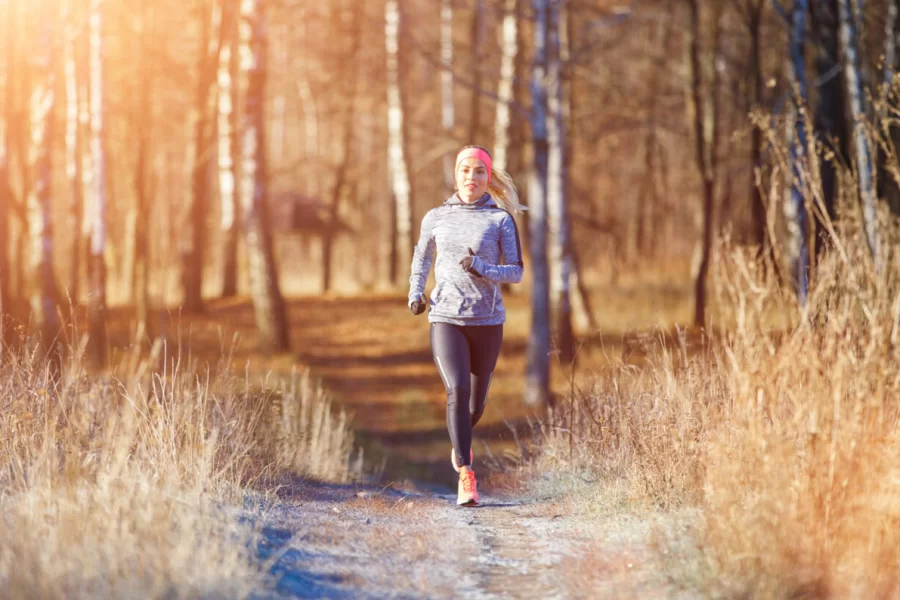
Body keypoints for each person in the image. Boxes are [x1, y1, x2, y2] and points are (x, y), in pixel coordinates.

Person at [408, 145, 526, 506]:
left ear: (488, 178)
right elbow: (422, 257)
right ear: (456, 174)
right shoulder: (436, 217)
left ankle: (459, 441)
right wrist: (415, 292)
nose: (471, 177)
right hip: (445, 317)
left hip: (487, 321)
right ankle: (466, 473)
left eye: (479, 171)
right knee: (456, 391)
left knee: (473, 407)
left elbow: (517, 271)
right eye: (465, 170)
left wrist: (482, 268)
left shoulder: (500, 221)